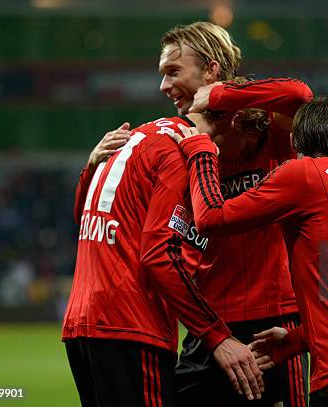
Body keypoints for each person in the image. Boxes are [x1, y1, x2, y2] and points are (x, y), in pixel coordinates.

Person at [170, 97, 328, 407]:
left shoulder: (304, 174)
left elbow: (211, 219)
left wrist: (201, 152)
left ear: (293, 139)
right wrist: (299, 339)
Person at [62, 112, 264, 406]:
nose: (243, 158)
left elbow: (82, 219)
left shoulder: (137, 136)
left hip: (82, 325)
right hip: (132, 324)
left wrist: (90, 167)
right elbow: (159, 255)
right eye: (248, 146)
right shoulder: (181, 149)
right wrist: (217, 336)